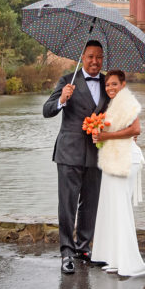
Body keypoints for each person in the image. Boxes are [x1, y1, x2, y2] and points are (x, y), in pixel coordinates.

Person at [43, 40, 109, 274]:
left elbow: (114, 115)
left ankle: (83, 248)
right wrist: (62, 99)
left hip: (95, 152)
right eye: (90, 57)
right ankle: (67, 253)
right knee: (68, 205)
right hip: (69, 152)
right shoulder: (67, 81)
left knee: (90, 205)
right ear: (82, 57)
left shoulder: (106, 83)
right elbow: (46, 110)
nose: (95, 61)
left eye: (99, 57)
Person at [90, 69, 145, 277]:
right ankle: (115, 260)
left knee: (121, 209)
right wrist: (98, 137)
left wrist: (107, 136)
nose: (110, 88)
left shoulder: (127, 101)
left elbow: (136, 129)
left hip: (126, 161)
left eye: (114, 84)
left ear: (123, 84)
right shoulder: (114, 105)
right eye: (107, 85)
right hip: (113, 160)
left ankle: (131, 264)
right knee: (113, 209)